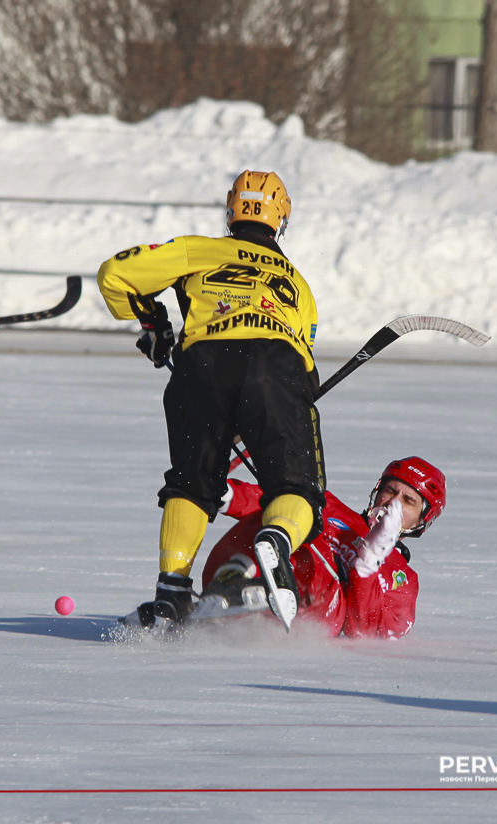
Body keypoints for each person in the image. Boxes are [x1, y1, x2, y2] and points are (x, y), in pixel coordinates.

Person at [98, 170, 325, 631]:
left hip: (200, 366)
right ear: (282, 219)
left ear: (230, 211)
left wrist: (153, 324)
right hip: (275, 362)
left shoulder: (196, 249)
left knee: (191, 486)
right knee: (298, 489)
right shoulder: (297, 283)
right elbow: (307, 364)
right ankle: (276, 542)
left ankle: (171, 594)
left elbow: (115, 274)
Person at [196, 456, 446, 639]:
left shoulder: (403, 579)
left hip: (314, 617)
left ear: (422, 520)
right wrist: (225, 494)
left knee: (315, 550)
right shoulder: (330, 506)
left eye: (408, 501)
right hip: (241, 567)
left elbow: (365, 632)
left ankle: (263, 590)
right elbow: (264, 499)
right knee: (289, 510)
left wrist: (369, 561)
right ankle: (231, 584)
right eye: (390, 491)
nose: (393, 503)